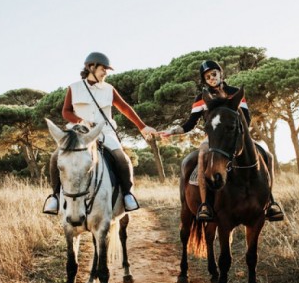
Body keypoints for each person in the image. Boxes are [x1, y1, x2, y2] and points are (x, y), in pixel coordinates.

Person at [160, 60, 284, 222]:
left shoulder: (235, 92)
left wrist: (240, 135)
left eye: (213, 74)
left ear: (220, 74)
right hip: (213, 138)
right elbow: (191, 123)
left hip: (236, 134)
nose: (211, 78)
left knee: (267, 155)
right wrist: (172, 131)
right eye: (207, 77)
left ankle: (269, 201)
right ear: (204, 80)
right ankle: (205, 205)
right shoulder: (201, 98)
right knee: (202, 154)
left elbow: (246, 118)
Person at [43, 52, 157, 214]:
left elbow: (125, 108)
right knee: (55, 157)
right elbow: (66, 112)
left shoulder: (109, 89)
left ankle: (127, 195)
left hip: (105, 131)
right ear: (91, 67)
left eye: (106, 70)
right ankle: (54, 197)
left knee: (121, 158)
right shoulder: (74, 88)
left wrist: (142, 126)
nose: (106, 73)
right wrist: (80, 121)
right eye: (103, 69)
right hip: (79, 133)